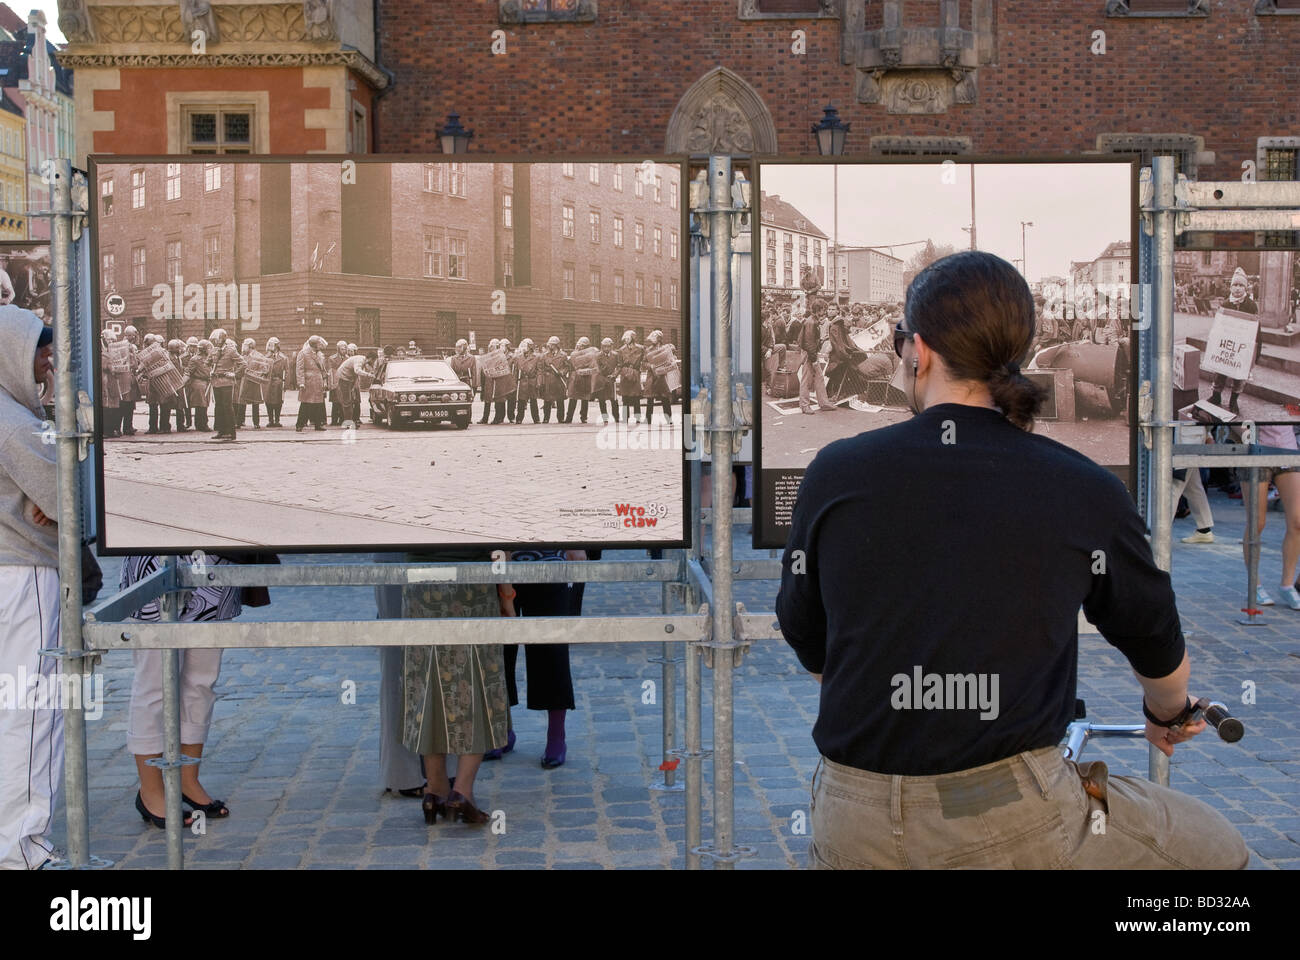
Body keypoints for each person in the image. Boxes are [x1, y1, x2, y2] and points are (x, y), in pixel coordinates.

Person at [777, 250, 1247, 870]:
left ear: (919, 351)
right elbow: (1155, 638)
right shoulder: (1080, 485)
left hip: (849, 813)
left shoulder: (834, 472)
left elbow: (807, 636)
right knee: (1220, 851)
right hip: (1003, 809)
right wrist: (1168, 712)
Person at [0, 311, 62, 869]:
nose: (47, 359)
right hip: (24, 575)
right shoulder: (16, 425)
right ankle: (23, 852)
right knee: (32, 712)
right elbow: (70, 501)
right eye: (39, 349)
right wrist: (66, 490)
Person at [121, 554, 239, 829]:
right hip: (152, 555)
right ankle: (150, 791)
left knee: (202, 680)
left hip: (215, 559)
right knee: (154, 682)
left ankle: (188, 779)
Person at [401, 549, 511, 825]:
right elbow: (499, 546)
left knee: (426, 681)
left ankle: (435, 788)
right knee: (477, 679)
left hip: (420, 582)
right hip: (471, 580)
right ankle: (462, 791)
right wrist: (507, 593)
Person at [497, 549, 579, 768]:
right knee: (498, 651)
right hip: (499, 562)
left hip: (549, 561)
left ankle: (556, 735)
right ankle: (500, 728)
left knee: (552, 651)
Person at [1246, 422, 1300, 610]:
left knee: (1298, 521)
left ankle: (1287, 585)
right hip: (1255, 451)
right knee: (1257, 523)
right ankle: (1255, 584)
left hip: (1288, 449)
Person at [1208, 267, 1260, 416]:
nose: (1238, 288)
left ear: (1246, 287)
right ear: (1231, 287)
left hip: (1242, 348)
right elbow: (1218, 327)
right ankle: (1216, 396)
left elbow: (1257, 329)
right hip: (1226, 346)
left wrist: (1256, 353)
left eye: (1241, 285)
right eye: (1235, 285)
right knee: (1220, 372)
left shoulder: (1251, 305)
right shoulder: (1225, 304)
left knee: (1239, 376)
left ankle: (1233, 401)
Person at [794, 301, 835, 415]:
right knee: (808, 379)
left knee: (818, 378)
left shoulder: (812, 321)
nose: (825, 311)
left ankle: (823, 402)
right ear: (819, 310)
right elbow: (809, 343)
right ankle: (805, 405)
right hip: (809, 353)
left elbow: (809, 342)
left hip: (810, 353)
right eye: (824, 309)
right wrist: (813, 360)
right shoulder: (811, 322)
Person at [210, 331, 244, 442]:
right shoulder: (214, 351)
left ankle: (231, 432)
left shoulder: (231, 351)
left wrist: (234, 374)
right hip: (216, 381)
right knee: (219, 407)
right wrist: (209, 371)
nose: (215, 341)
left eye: (217, 339)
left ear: (222, 339)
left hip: (227, 382)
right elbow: (206, 363)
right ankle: (221, 431)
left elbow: (243, 364)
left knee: (227, 407)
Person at [295, 336, 328, 431]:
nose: (321, 345)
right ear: (314, 344)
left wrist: (325, 381)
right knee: (305, 404)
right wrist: (301, 382)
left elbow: (323, 369)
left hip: (318, 381)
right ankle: (300, 424)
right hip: (308, 382)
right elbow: (299, 369)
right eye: (319, 343)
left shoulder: (320, 354)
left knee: (318, 404)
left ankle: (318, 424)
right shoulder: (303, 353)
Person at [184, 339, 215, 433]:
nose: (210, 350)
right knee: (201, 405)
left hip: (206, 383)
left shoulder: (208, 358)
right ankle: (203, 424)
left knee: (203, 405)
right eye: (208, 348)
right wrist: (183, 382)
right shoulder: (195, 359)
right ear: (204, 349)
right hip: (198, 384)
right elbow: (189, 371)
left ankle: (200, 424)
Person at [235, 337, 265, 429]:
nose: (243, 347)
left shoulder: (259, 356)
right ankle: (239, 422)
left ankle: (256, 423)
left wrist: (255, 374)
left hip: (254, 382)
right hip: (244, 381)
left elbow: (263, 369)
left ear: (250, 346)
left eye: (245, 345)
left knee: (255, 403)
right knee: (241, 401)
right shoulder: (243, 356)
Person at [539, 336, 570, 424]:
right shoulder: (545, 355)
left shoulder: (563, 355)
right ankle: (546, 418)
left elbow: (567, 367)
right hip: (548, 380)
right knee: (547, 400)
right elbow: (541, 368)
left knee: (560, 400)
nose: (550, 346)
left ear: (556, 345)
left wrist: (562, 372)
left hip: (558, 380)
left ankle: (560, 418)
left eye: (552, 344)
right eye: (549, 344)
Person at [565, 336, 597, 424]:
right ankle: (569, 417)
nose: (580, 347)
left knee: (585, 399)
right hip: (575, 378)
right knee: (573, 398)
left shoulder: (590, 355)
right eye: (580, 345)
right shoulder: (574, 354)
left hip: (585, 378)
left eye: (583, 346)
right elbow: (570, 366)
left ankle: (584, 417)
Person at [335, 351, 371, 427]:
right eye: (374, 361)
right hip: (344, 379)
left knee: (349, 402)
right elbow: (357, 370)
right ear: (371, 359)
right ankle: (348, 423)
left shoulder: (362, 359)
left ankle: (349, 422)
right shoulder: (360, 360)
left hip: (347, 379)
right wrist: (368, 374)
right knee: (347, 402)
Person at [616, 330, 644, 424]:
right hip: (625, 374)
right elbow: (619, 364)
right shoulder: (621, 350)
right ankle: (625, 417)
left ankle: (638, 417)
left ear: (633, 338)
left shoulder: (640, 348)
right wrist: (615, 374)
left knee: (636, 397)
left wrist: (640, 369)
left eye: (628, 338)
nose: (626, 340)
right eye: (625, 339)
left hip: (635, 374)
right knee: (625, 397)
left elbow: (644, 361)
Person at [512, 339, 541, 424]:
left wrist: (539, 382)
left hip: (532, 380)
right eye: (523, 345)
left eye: (525, 346)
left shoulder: (536, 357)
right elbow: (515, 371)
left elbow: (539, 371)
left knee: (533, 401)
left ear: (530, 347)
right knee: (521, 401)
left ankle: (536, 418)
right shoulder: (518, 357)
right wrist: (514, 382)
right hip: (522, 381)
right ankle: (519, 418)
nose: (523, 348)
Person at [594, 338, 620, 423]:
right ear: (602, 346)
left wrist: (614, 375)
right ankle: (605, 418)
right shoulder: (598, 356)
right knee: (602, 400)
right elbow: (596, 367)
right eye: (604, 346)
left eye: (608, 346)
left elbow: (619, 366)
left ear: (611, 346)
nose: (606, 348)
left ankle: (616, 417)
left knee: (614, 399)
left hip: (612, 380)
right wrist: (601, 373)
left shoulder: (615, 355)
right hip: (602, 380)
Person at [264, 337, 287, 428]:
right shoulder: (266, 357)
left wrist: (286, 385)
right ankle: (270, 420)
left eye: (271, 345)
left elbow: (287, 372)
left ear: (276, 346)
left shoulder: (283, 358)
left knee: (278, 402)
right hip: (268, 382)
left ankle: (277, 420)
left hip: (279, 382)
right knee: (268, 401)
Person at [326, 341, 347, 425]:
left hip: (344, 382)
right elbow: (330, 371)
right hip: (335, 381)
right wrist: (330, 383)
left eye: (345, 349)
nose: (344, 350)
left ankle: (342, 419)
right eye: (342, 349)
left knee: (343, 402)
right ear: (338, 349)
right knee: (335, 402)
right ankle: (334, 420)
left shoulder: (348, 358)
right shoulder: (332, 358)